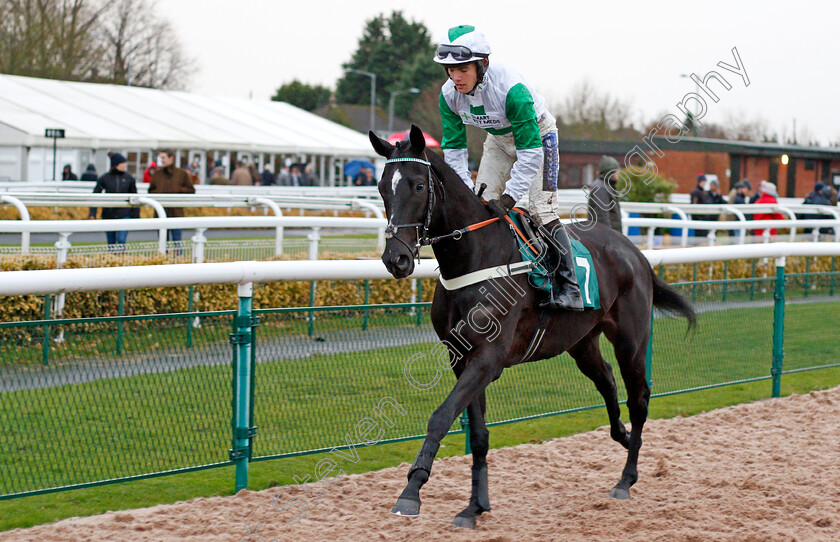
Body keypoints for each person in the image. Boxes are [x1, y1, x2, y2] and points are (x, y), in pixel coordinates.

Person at [435, 25, 581, 310]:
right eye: (450, 70)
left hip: (538, 137)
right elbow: (454, 151)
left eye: (462, 69)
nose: (455, 77)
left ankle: (570, 286)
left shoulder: (512, 91)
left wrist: (510, 196)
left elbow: (530, 153)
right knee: (481, 205)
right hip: (499, 141)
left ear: (482, 64)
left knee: (542, 210)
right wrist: (467, 190)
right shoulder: (448, 95)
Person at [87, 153, 139, 249]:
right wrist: (92, 213)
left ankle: (121, 259)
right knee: (111, 242)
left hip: (124, 213)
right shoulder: (105, 178)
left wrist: (135, 215)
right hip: (109, 214)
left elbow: (134, 196)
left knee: (121, 240)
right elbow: (96, 194)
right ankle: (112, 261)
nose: (125, 165)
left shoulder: (129, 179)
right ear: (117, 164)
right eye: (123, 163)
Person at [149, 149, 195, 249]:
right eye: (160, 158)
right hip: (161, 213)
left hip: (176, 213)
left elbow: (191, 190)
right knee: (162, 243)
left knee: (177, 243)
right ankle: (164, 262)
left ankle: (178, 261)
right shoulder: (157, 174)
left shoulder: (181, 174)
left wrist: (177, 190)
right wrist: (159, 193)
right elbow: (150, 191)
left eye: (163, 158)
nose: (161, 160)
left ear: (171, 158)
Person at [587, 155, 623, 232]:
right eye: (616, 170)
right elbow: (602, 217)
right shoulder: (601, 188)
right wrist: (611, 238)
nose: (618, 172)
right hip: (606, 238)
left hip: (608, 236)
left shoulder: (606, 186)